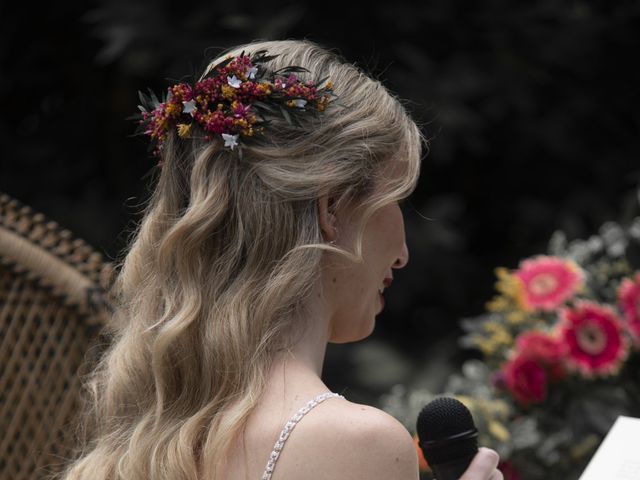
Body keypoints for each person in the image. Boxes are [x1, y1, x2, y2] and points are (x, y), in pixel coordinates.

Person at [58, 39, 503, 480]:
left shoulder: (146, 440)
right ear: (331, 208)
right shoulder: (353, 444)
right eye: (396, 199)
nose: (403, 255)